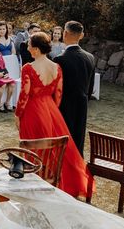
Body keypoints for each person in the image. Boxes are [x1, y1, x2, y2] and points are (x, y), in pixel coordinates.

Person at [14, 32, 93, 198]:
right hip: (51, 110)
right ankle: (52, 178)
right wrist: (52, 111)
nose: (27, 47)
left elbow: (24, 95)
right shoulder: (56, 67)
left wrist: (18, 114)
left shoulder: (28, 68)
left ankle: (35, 180)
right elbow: (58, 93)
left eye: (29, 45)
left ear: (35, 49)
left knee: (33, 146)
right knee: (53, 148)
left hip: (32, 111)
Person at [53, 21, 96, 156]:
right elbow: (91, 86)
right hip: (82, 103)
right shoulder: (90, 57)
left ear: (65, 34)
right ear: (81, 35)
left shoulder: (60, 59)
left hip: (64, 105)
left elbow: (56, 87)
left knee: (63, 138)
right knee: (78, 139)